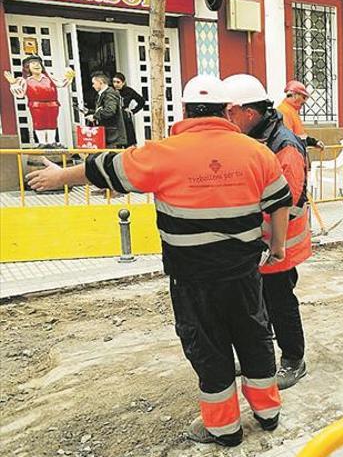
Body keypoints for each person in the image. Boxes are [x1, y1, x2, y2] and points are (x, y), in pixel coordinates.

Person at [26, 75, 293, 447]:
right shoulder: (257, 153)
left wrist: (59, 178)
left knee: (208, 345)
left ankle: (223, 428)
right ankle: (268, 414)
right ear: (227, 111)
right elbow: (280, 202)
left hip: (193, 279)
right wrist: (277, 247)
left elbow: (104, 167)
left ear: (184, 111)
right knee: (255, 336)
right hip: (244, 274)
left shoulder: (161, 153)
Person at [224, 74, 311, 390]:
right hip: (255, 242)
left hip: (280, 243)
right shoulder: (254, 137)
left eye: (229, 113)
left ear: (248, 112)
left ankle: (293, 359)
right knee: (254, 303)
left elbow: (285, 199)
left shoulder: (283, 146)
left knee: (279, 302)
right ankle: (256, 357)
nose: (226, 119)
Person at [3, 55, 74, 146]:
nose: (37, 65)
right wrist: (13, 83)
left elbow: (61, 83)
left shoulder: (49, 78)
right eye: (33, 64)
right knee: (39, 123)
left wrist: (69, 76)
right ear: (28, 68)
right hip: (36, 106)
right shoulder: (26, 81)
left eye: (38, 64)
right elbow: (20, 94)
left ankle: (51, 142)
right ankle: (42, 142)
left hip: (52, 104)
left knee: (51, 123)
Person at [275, 80, 323, 150]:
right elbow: (289, 138)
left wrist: (314, 142)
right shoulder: (284, 111)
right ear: (295, 95)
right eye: (303, 97)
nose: (304, 101)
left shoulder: (291, 110)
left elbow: (300, 135)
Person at [87, 72, 127, 148]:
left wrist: (95, 116)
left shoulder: (109, 94)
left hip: (113, 136)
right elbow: (102, 109)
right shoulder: (103, 94)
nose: (93, 86)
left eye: (94, 83)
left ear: (100, 83)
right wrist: (89, 112)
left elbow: (110, 110)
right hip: (108, 134)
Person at [112, 73, 145, 147]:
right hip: (115, 118)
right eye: (114, 82)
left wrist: (133, 111)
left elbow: (141, 101)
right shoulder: (111, 91)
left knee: (129, 140)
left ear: (123, 82)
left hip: (125, 117)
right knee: (117, 142)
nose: (116, 84)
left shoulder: (128, 91)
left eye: (118, 82)